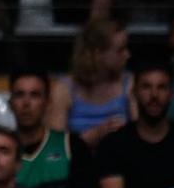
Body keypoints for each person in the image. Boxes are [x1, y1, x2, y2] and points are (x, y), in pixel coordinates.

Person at [8, 69, 98, 188]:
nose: (26, 103)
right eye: (19, 95)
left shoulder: (71, 145)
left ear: (47, 102)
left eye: (34, 95)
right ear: (10, 103)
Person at [46, 19, 132, 152]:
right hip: (78, 166)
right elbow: (55, 151)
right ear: (98, 54)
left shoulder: (130, 84)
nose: (127, 55)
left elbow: (140, 142)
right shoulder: (64, 90)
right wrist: (95, 135)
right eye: (120, 50)